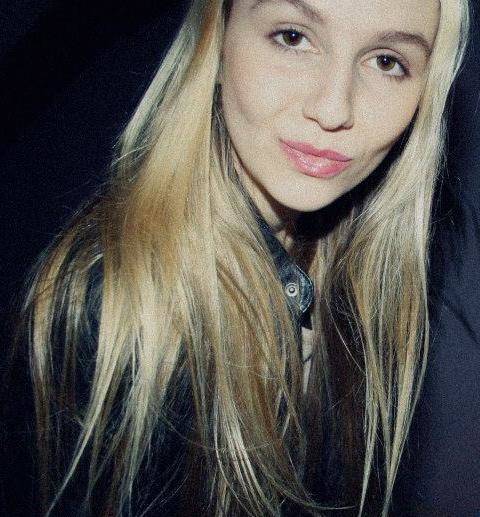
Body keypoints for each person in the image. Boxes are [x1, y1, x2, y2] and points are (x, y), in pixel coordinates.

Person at [12, 0, 470, 515]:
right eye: (293, 37)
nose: (333, 108)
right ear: (217, 39)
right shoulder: (112, 308)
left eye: (387, 62)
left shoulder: (357, 276)